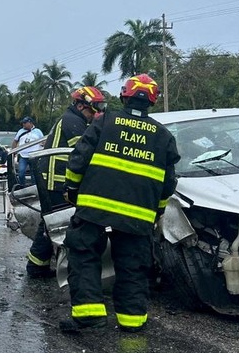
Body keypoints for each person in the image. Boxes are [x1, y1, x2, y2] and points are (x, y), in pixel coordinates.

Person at [60, 74, 180, 333]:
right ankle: (132, 321)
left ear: (124, 96)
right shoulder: (163, 136)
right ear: (152, 101)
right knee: (133, 266)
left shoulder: (105, 121)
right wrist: (157, 211)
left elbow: (79, 159)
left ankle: (89, 316)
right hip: (137, 216)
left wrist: (72, 190)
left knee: (84, 255)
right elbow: (168, 183)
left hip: (94, 208)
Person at [25, 87, 106, 277]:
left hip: (55, 180)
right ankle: (38, 266)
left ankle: (37, 264)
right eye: (91, 110)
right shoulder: (73, 121)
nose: (93, 115)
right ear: (81, 106)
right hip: (57, 181)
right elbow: (83, 152)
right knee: (56, 224)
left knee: (50, 223)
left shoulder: (72, 119)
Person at [11, 116, 44, 187]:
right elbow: (15, 141)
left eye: (25, 123)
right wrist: (13, 151)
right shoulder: (20, 131)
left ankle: (34, 187)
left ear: (30, 123)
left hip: (34, 156)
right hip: (23, 156)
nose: (23, 124)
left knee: (34, 174)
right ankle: (22, 186)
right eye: (23, 123)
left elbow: (43, 141)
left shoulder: (38, 131)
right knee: (21, 172)